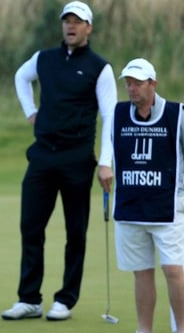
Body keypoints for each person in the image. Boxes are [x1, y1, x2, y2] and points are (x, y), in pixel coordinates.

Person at [2, 1, 118, 321]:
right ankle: (29, 299)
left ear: (88, 28)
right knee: (31, 227)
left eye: (78, 22)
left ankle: (65, 299)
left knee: (75, 232)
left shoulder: (99, 67)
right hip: (42, 156)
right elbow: (20, 77)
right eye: (67, 21)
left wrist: (106, 162)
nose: (71, 26)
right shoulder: (44, 59)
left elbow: (109, 116)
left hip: (78, 158)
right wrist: (30, 111)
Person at [108, 58, 184, 333]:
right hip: (130, 208)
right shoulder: (117, 114)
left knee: (173, 271)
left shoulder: (178, 114)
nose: (132, 89)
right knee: (141, 272)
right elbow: (109, 149)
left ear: (153, 84)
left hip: (168, 209)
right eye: (128, 83)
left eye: (138, 83)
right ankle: (144, 330)